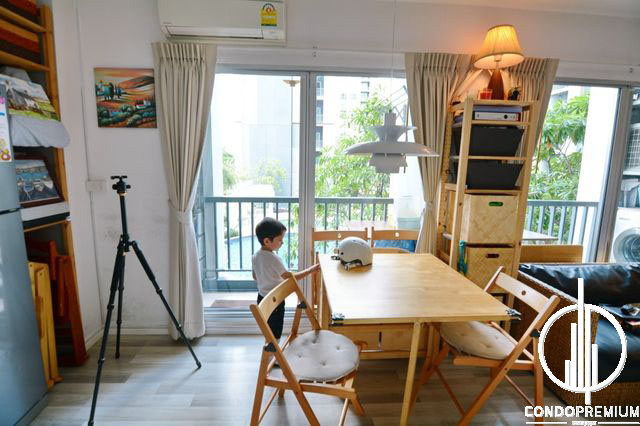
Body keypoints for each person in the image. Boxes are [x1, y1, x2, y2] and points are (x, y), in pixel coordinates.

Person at [252, 217, 319, 340]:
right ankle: (273, 349)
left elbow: (255, 276)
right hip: (275, 300)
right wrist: (310, 270)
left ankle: (271, 347)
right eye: (280, 240)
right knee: (276, 331)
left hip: (261, 297)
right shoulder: (273, 258)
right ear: (267, 241)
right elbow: (290, 278)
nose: (282, 243)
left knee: (269, 330)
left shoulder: (255, 256)